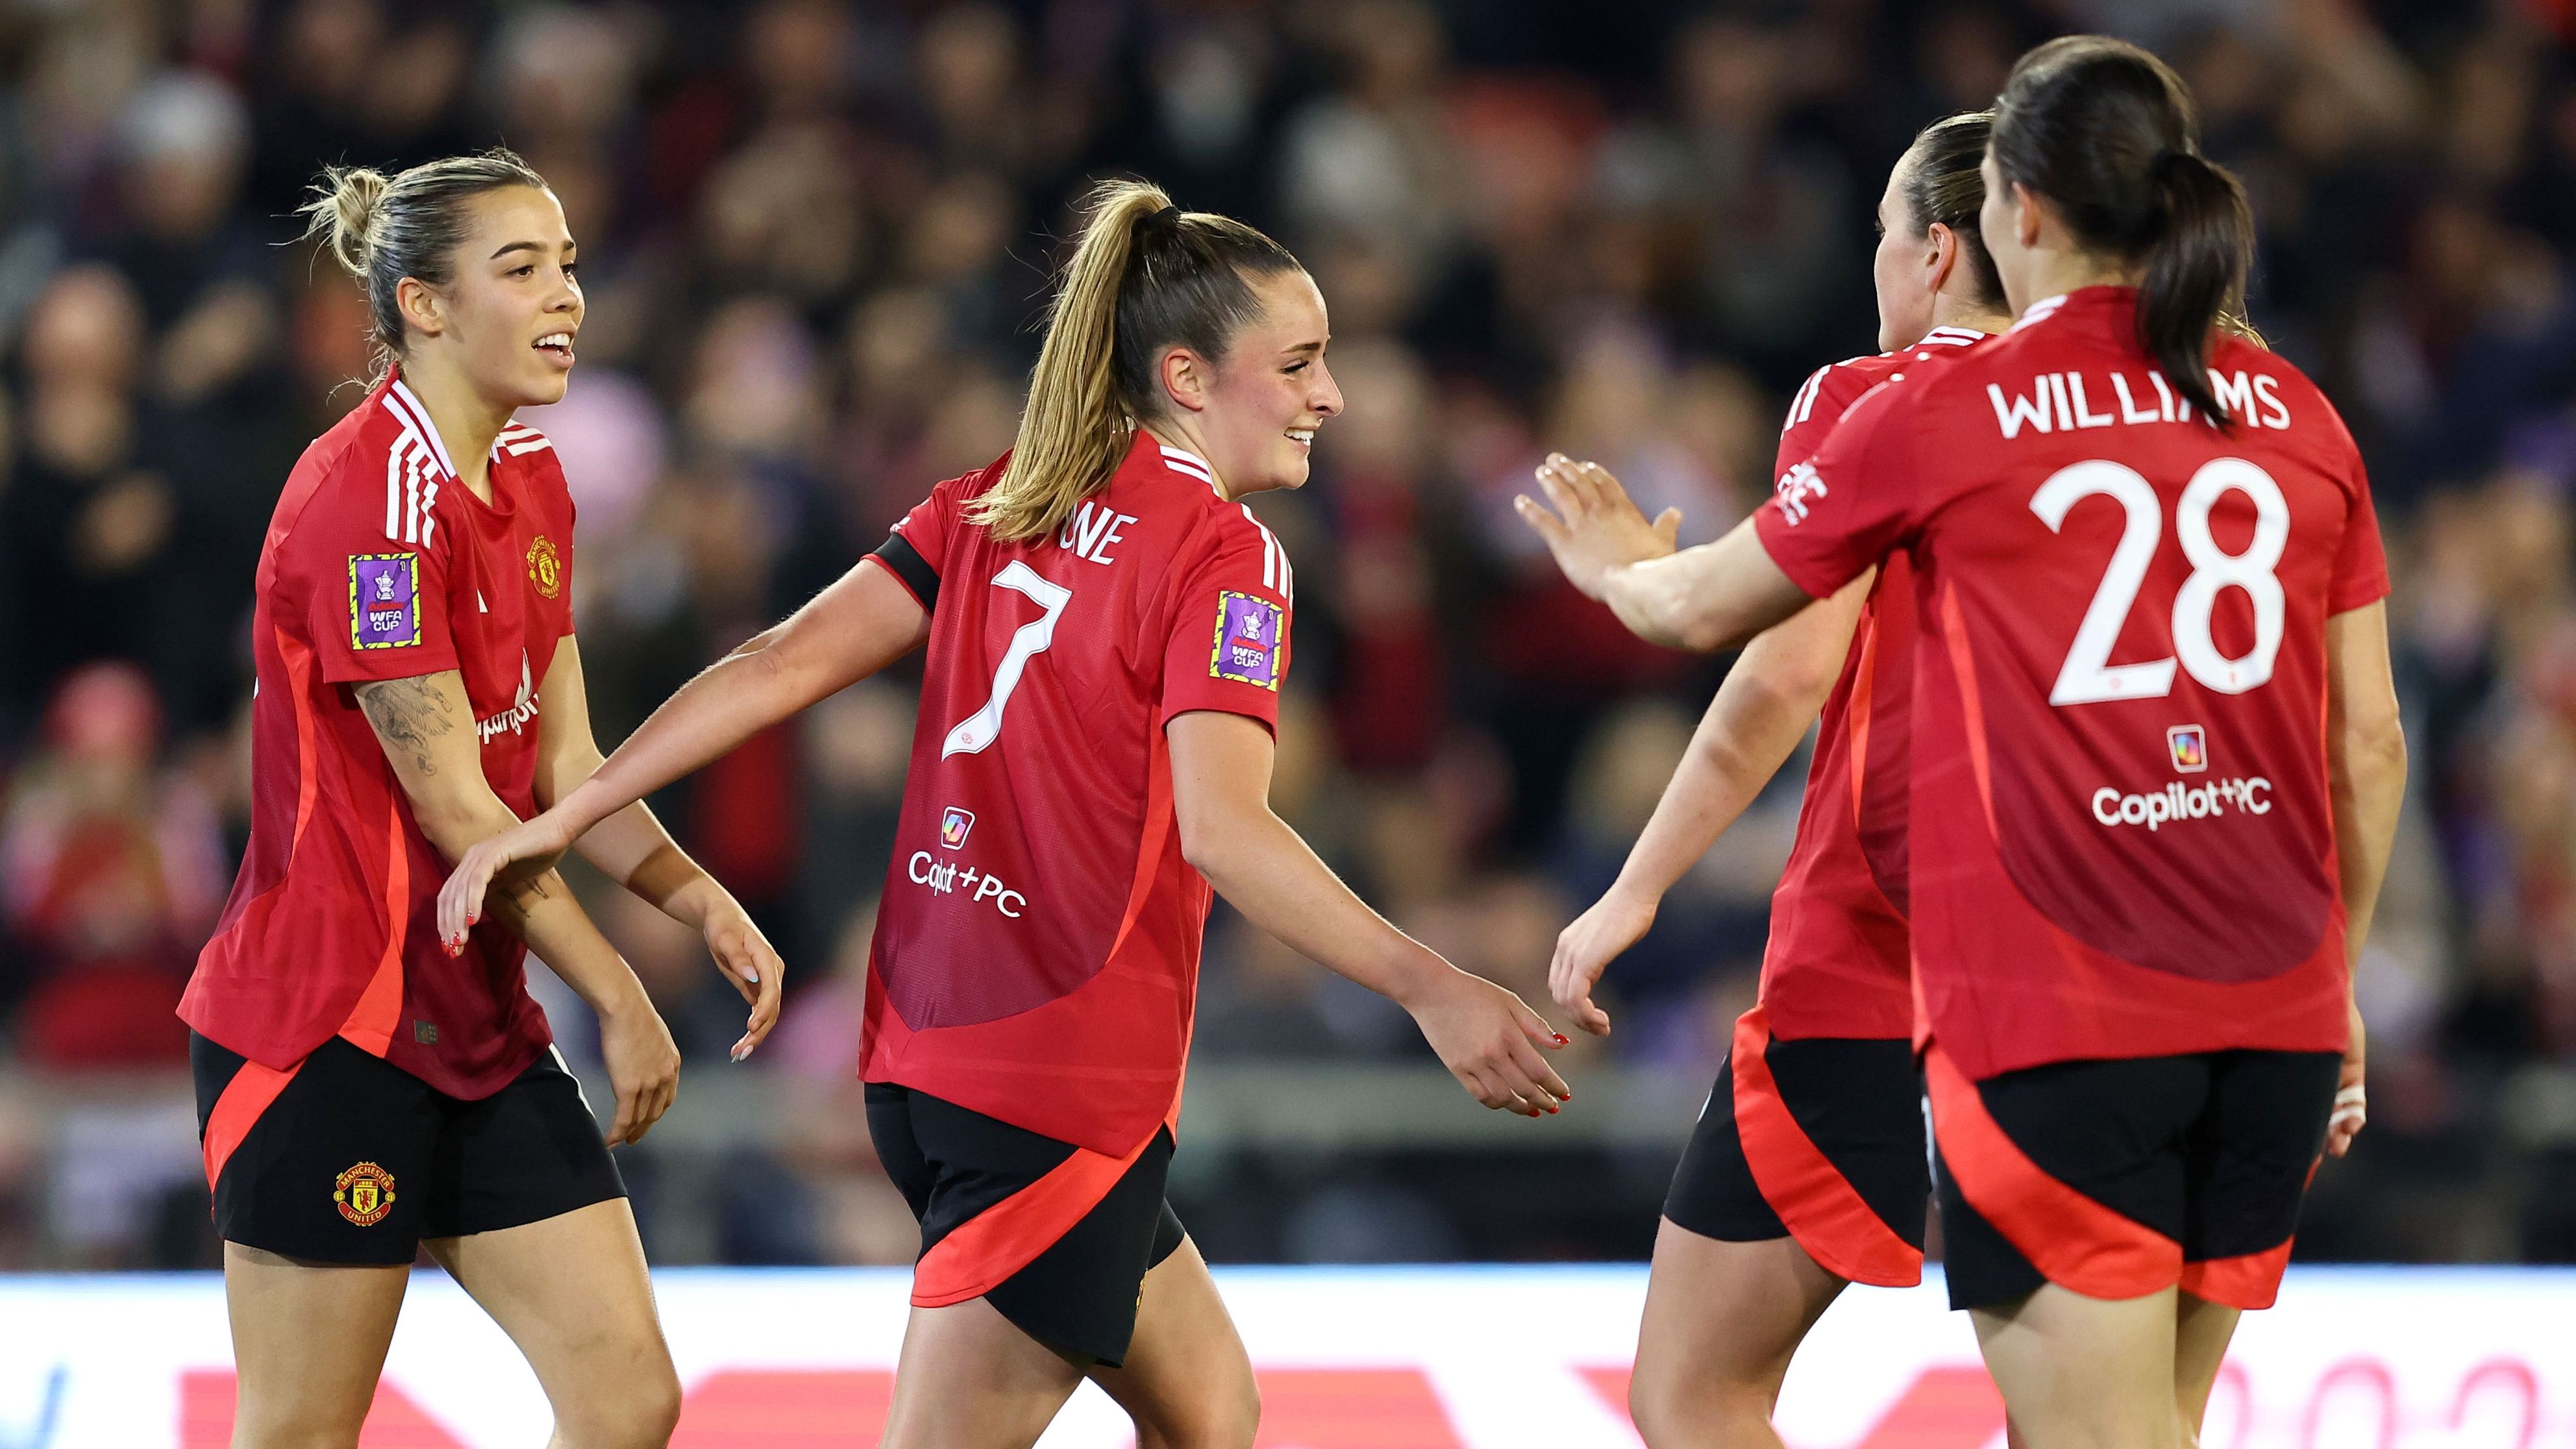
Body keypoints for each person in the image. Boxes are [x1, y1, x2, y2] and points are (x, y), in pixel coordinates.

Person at [436, 177, 1572, 1449]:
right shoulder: (1226, 555)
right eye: (1301, 362)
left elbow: (777, 662)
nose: (1331, 395)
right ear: (1189, 379)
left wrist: (575, 806)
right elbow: (1226, 829)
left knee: (1210, 1411)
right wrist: (1432, 985)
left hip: (928, 1058)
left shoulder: (993, 503)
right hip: (1056, 1084)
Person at [1518, 37, 2399, 1449]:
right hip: (2275, 1000)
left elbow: (1740, 645)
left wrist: (1617, 565)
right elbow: (2366, 744)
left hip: (2029, 996)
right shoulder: (2289, 405)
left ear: (2011, 214)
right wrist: (2340, 985)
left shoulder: (1931, 403)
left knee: (1725, 1396)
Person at [180, 150, 784, 1448]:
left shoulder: (533, 474)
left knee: (626, 1399)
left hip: (475, 1023)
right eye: (521, 271)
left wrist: (696, 900)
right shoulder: (367, 504)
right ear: (424, 306)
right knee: (297, 1433)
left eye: (567, 266)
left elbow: (565, 770)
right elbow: (461, 810)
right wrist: (620, 993)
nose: (566, 298)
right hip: (328, 1031)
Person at [1539, 112, 2012, 1449]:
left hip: (1876, 961)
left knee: (1694, 1391)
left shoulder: (1869, 401)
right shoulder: (2143, 426)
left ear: (1930, 252)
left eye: (1876, 231)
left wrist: (1634, 887)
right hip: (2095, 963)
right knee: (2094, 1413)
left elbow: (1780, 673)